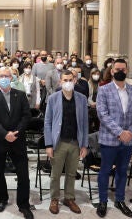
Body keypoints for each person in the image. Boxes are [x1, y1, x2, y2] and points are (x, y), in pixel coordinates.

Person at [95, 59, 132, 218]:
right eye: (117, 69)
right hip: (109, 139)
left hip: (128, 139)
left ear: (127, 70)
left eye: (123, 68)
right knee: (105, 171)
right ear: (112, 71)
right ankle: (103, 201)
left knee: (122, 171)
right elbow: (102, 114)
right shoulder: (104, 90)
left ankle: (120, 200)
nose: (120, 71)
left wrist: (130, 131)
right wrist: (119, 132)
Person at [0, 67, 33, 219]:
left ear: (11, 78)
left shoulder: (20, 94)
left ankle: (24, 204)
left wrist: (15, 133)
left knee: (23, 174)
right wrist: (5, 134)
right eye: (1, 76)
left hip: (17, 140)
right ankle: (2, 199)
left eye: (7, 75)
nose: (4, 78)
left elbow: (26, 116)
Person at [44, 70, 88, 215]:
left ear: (75, 80)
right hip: (59, 142)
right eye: (65, 80)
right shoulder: (53, 98)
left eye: (71, 79)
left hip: (75, 142)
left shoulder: (82, 99)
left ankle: (69, 198)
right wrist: (49, 144)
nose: (68, 82)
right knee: (55, 174)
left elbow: (85, 123)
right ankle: (54, 198)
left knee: (71, 173)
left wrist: (84, 144)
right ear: (60, 82)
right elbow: (48, 122)